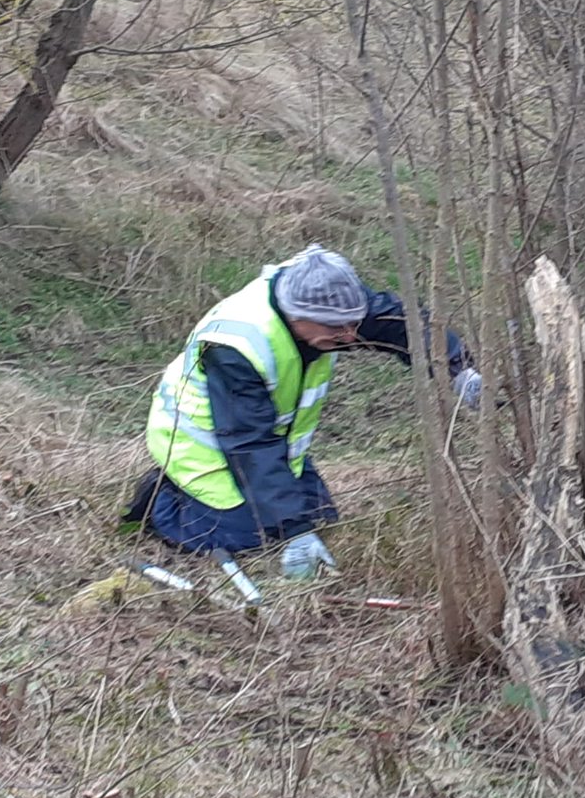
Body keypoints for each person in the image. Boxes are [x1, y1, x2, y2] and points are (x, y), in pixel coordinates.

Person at [123, 244, 481, 579]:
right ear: (297, 318)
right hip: (202, 444)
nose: (350, 335)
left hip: (274, 437)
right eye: (336, 329)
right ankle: (163, 501)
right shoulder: (237, 345)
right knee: (250, 538)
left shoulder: (331, 300)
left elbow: (400, 322)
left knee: (319, 517)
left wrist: (459, 370)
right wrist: (294, 533)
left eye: (355, 323)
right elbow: (250, 444)